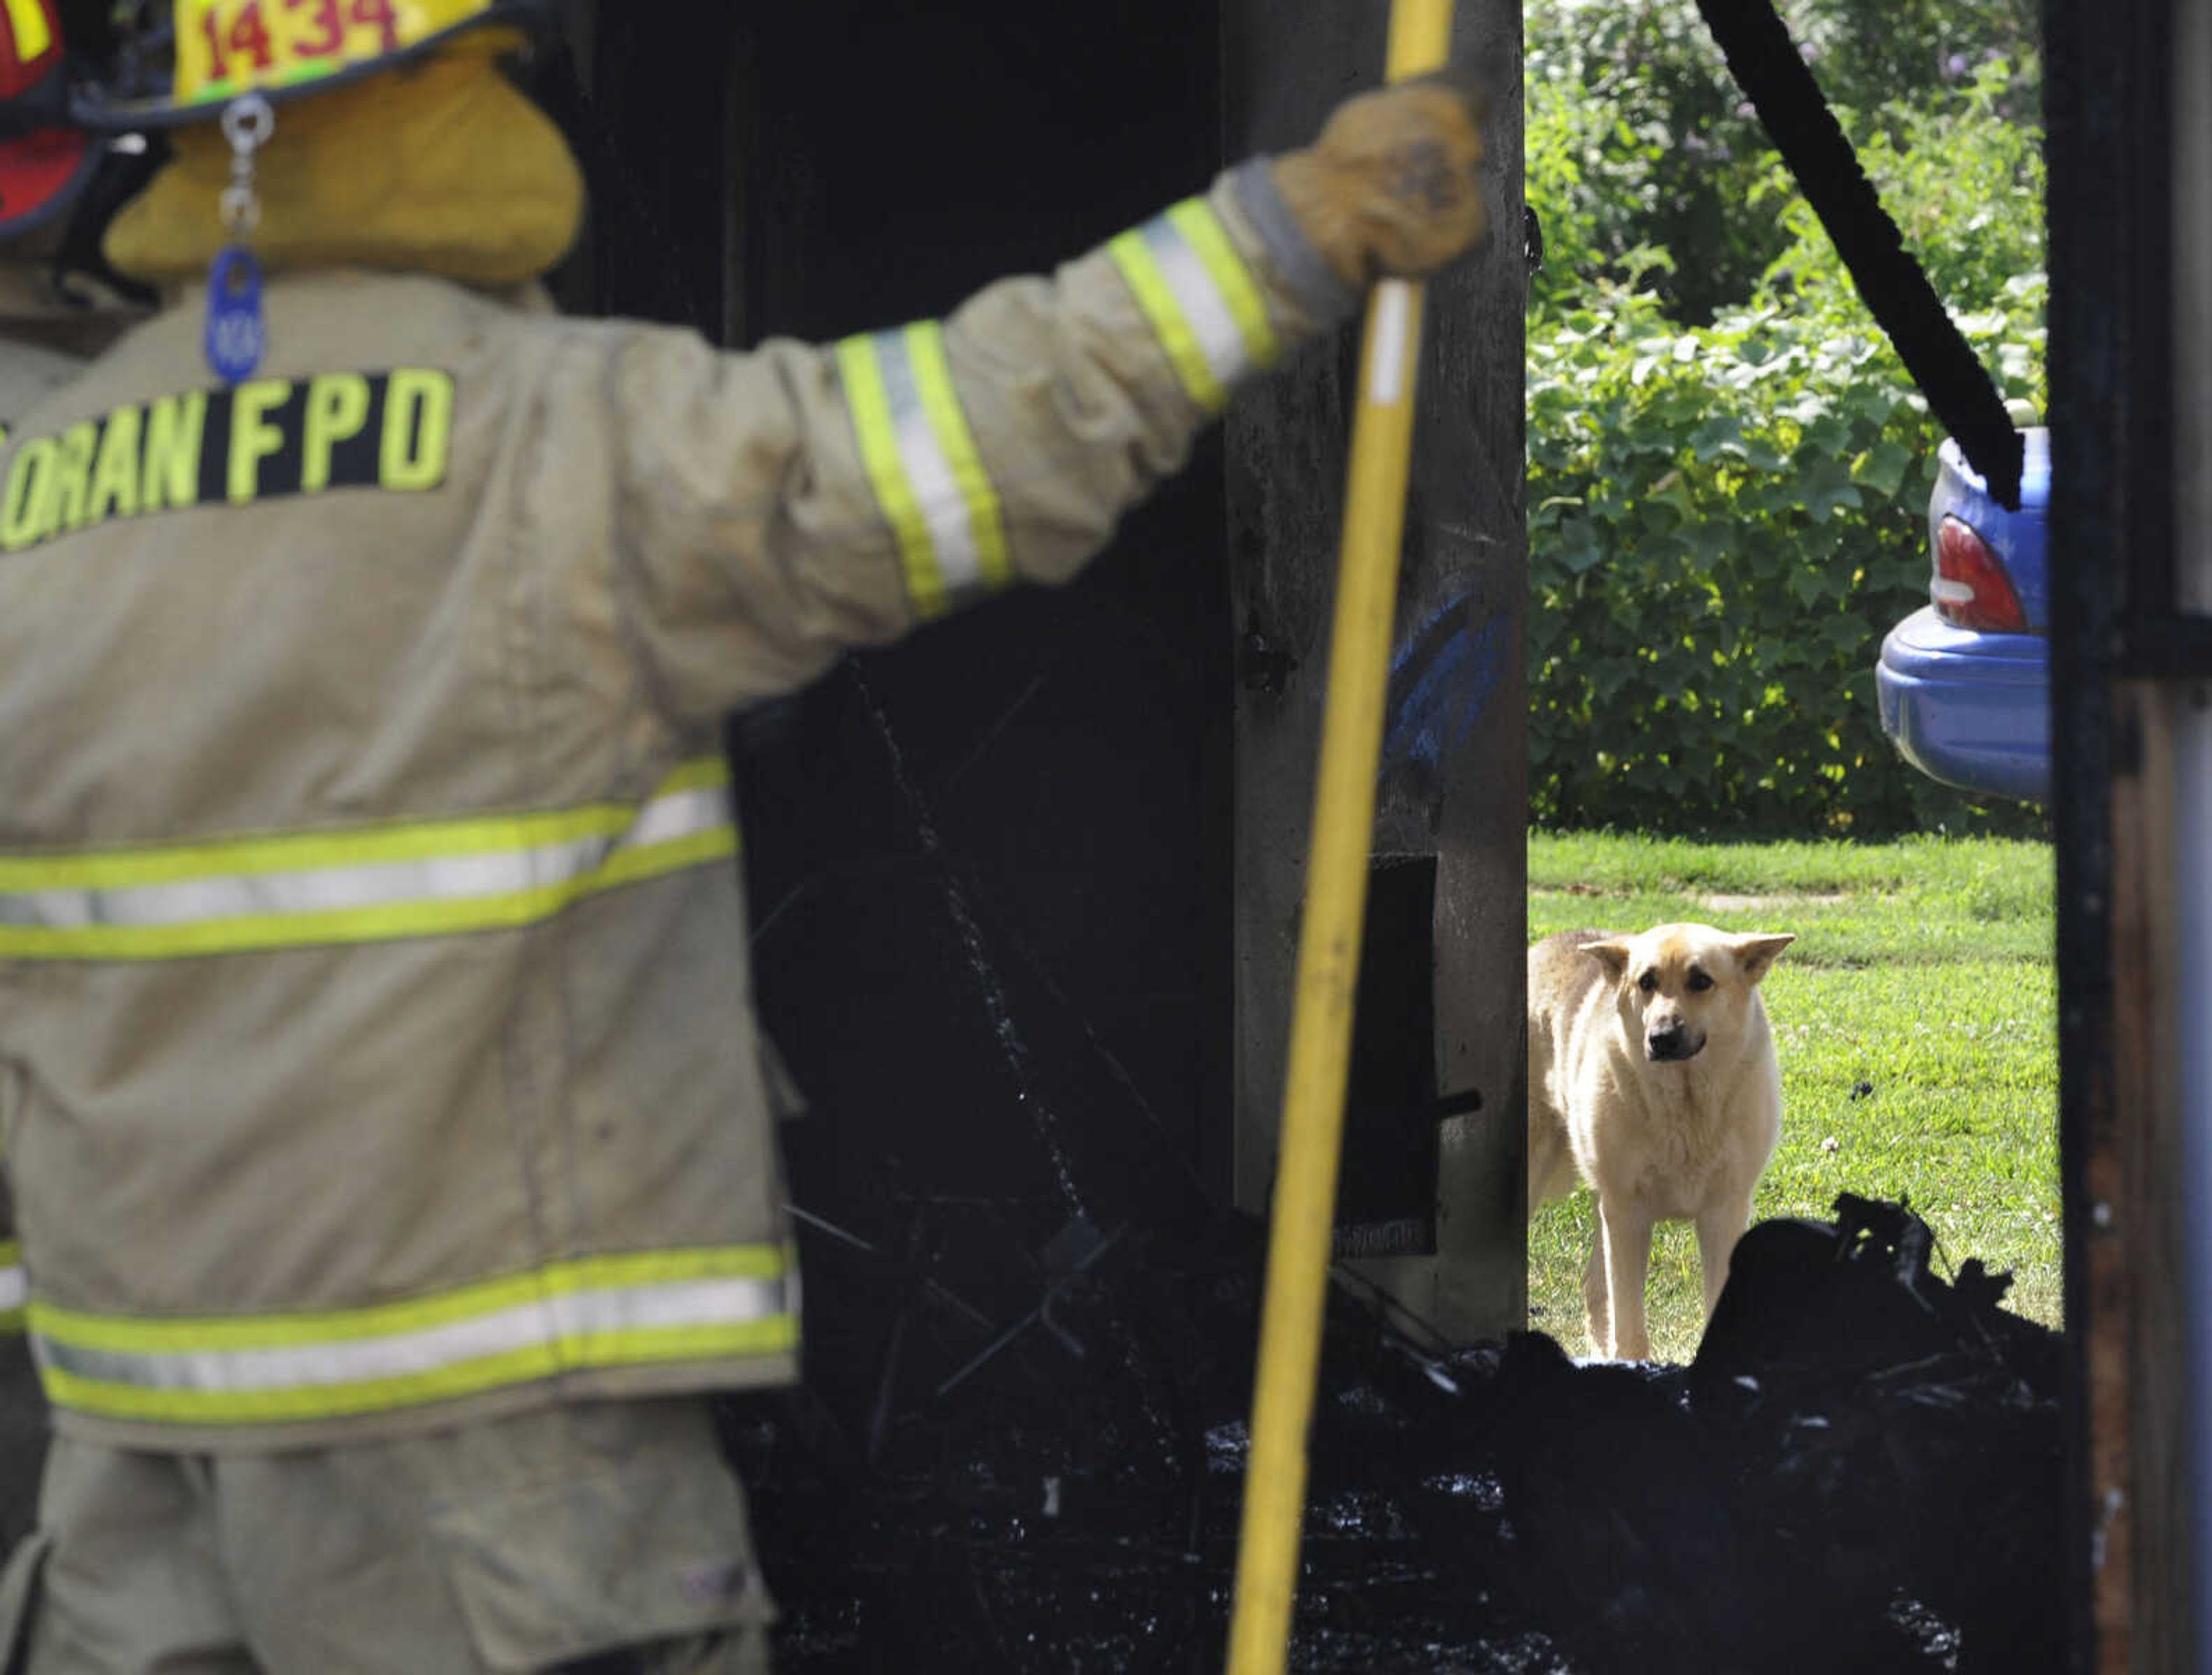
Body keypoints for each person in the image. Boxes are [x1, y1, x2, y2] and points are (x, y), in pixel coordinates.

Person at [0, 3, 1491, 1668]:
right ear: (438, 108)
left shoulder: (42, 480)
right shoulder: (553, 441)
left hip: (134, 1458)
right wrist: (1289, 230)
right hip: (494, 1481)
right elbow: (969, 435)